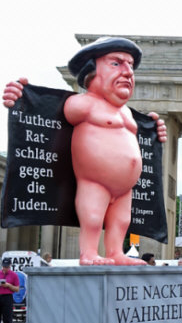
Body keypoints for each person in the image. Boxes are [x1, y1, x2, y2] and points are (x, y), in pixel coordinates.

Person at [2, 37, 167, 266]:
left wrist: (155, 131)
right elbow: (46, 111)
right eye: (117, 63)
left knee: (121, 221)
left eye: (130, 66)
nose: (128, 72)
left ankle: (116, 251)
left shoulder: (128, 114)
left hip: (125, 189)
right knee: (92, 216)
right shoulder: (84, 103)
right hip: (94, 181)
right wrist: (21, 97)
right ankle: (88, 252)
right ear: (91, 71)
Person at [0, 257, 20, 323]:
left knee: (7, 319)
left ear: (10, 266)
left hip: (7, 297)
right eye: (4, 266)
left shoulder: (14, 275)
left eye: (7, 267)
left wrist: (8, 285)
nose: (5, 268)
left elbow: (17, 289)